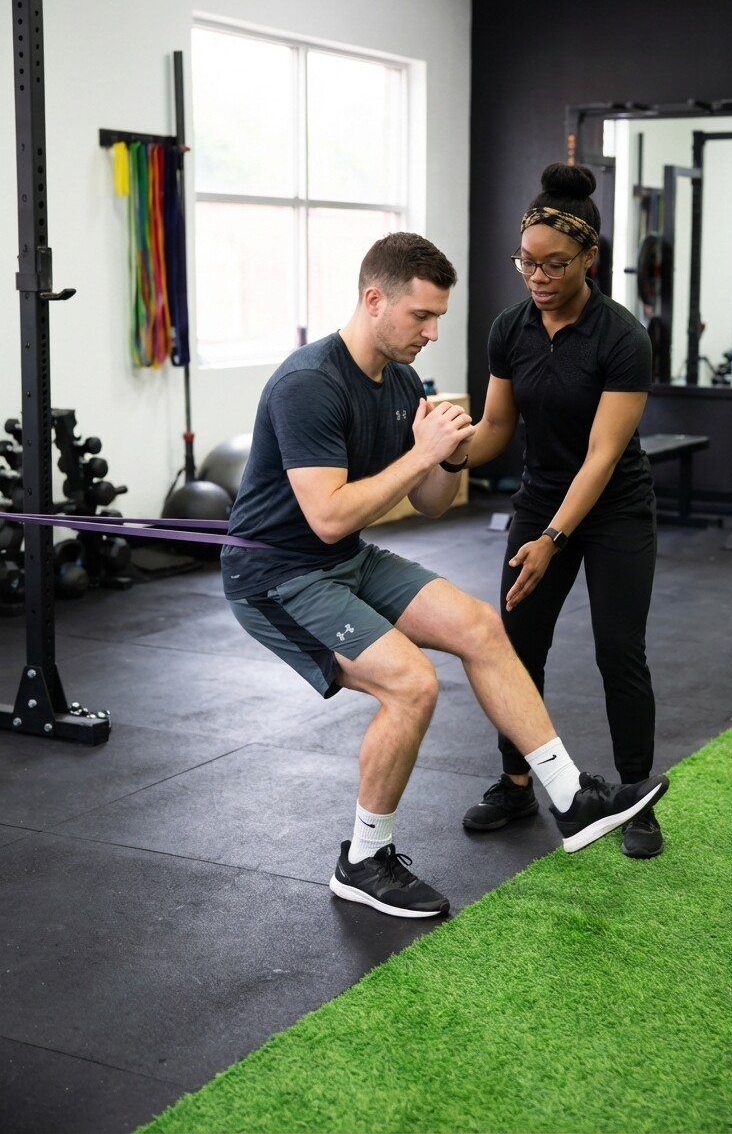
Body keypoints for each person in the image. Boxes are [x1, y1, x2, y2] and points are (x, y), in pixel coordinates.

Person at [221, 231, 668, 921]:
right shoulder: (309, 383)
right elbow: (329, 519)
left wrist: (448, 458)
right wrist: (418, 455)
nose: (431, 333)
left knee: (482, 628)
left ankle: (568, 797)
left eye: (437, 318)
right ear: (374, 300)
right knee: (411, 685)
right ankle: (364, 859)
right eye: (420, 317)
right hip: (278, 576)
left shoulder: (398, 381)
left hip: (344, 563)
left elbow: (428, 504)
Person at [461, 164, 664, 859]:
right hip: (540, 498)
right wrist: (444, 451)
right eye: (526, 262)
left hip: (613, 511)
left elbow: (602, 456)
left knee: (618, 651)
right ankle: (516, 782)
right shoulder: (508, 330)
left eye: (554, 264)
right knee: (516, 647)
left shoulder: (620, 338)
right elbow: (493, 429)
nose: (538, 277)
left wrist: (552, 537)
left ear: (589, 260)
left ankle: (635, 793)